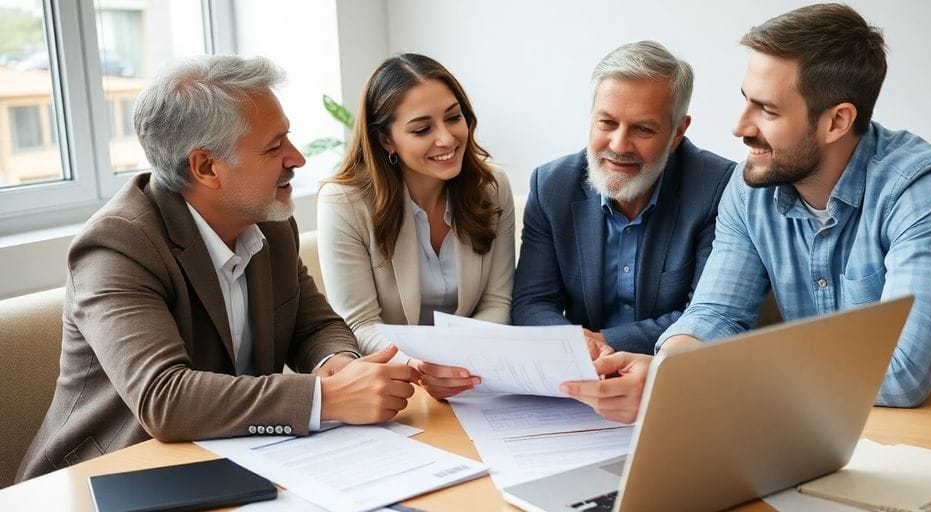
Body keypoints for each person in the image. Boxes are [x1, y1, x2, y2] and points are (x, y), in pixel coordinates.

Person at [562, 4, 931, 423]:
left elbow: (899, 372)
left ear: (837, 121)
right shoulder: (751, 189)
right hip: (829, 429)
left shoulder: (929, 189)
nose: (740, 127)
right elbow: (714, 316)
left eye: (765, 110)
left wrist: (696, 378)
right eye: (746, 99)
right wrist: (667, 370)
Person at [17, 55, 419, 481]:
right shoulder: (117, 246)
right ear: (206, 167)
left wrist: (338, 363)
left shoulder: (269, 222)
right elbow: (165, 397)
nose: (297, 158)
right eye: (274, 146)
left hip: (235, 461)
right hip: (109, 479)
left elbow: (314, 325)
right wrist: (325, 397)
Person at [512, 41, 734, 356]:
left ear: (678, 132)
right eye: (607, 123)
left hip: (672, 373)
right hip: (581, 374)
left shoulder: (719, 188)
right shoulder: (551, 185)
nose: (619, 145)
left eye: (642, 129)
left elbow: (708, 315)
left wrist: (604, 344)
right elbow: (532, 303)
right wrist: (580, 348)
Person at [318, 53, 515, 400]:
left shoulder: (492, 187)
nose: (447, 138)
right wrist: (424, 367)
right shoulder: (343, 203)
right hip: (394, 386)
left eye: (453, 118)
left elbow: (497, 300)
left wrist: (464, 363)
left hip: (474, 381)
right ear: (386, 140)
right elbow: (360, 324)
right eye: (422, 129)